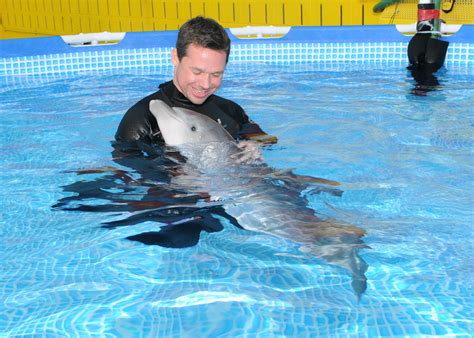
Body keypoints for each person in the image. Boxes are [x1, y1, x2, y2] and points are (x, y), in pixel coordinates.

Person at [114, 16, 276, 162]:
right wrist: (176, 175)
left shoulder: (230, 110)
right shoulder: (141, 120)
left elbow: (269, 141)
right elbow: (126, 174)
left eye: (216, 74)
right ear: (175, 58)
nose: (205, 84)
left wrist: (254, 145)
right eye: (197, 71)